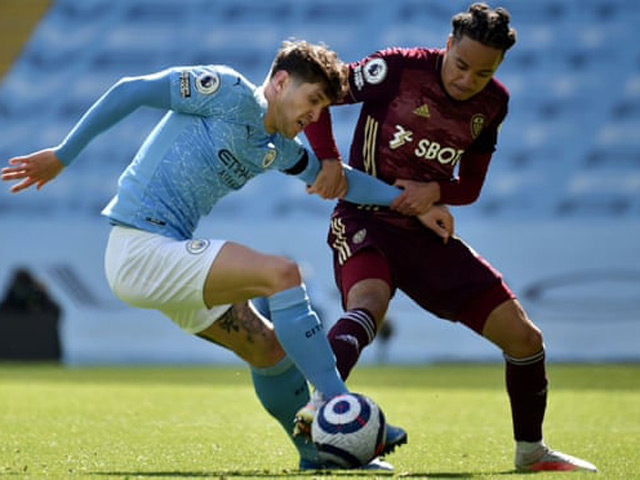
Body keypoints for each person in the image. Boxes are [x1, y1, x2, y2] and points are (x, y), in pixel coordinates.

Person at [1, 40, 452, 471]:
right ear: (279, 82)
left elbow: (342, 181)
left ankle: (314, 451)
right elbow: (131, 90)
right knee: (283, 274)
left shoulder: (277, 149)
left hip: (164, 257)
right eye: (311, 100)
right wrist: (63, 155)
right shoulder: (228, 91)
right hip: (139, 247)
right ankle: (337, 404)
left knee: (271, 350)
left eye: (321, 109)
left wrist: (411, 203)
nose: (314, 115)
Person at [302, 4, 598, 473]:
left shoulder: (493, 104)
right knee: (367, 305)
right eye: (461, 65)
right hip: (364, 218)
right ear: (447, 45)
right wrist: (329, 159)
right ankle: (320, 409)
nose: (467, 80)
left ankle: (531, 452)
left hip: (423, 234)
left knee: (525, 339)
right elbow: (316, 93)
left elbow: (471, 185)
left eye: (483, 73)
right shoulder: (397, 68)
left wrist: (435, 191)